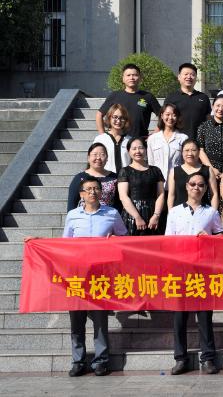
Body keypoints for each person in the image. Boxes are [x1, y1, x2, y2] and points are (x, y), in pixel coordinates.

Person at [60, 176, 127, 377]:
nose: (93, 192)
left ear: (101, 192)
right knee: (77, 321)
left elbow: (124, 238)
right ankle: (78, 361)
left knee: (100, 320)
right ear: (81, 194)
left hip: (100, 275)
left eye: (96, 188)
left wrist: (115, 239)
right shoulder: (73, 215)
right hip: (77, 275)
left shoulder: (112, 213)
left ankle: (101, 361)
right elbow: (64, 243)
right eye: (88, 189)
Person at [165, 173, 223, 376]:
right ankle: (180, 358)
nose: (196, 188)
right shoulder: (174, 212)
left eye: (200, 185)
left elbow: (221, 238)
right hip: (180, 270)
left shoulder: (211, 212)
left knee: (204, 317)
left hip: (202, 271)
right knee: (179, 318)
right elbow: (168, 241)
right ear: (186, 187)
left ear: (205, 189)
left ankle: (208, 358)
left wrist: (210, 238)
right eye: (193, 184)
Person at [97, 63, 161, 139]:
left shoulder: (148, 96)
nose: (131, 78)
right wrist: (103, 136)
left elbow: (162, 116)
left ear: (140, 78)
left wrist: (154, 135)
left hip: (140, 141)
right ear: (123, 78)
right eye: (128, 75)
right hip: (118, 140)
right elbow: (99, 115)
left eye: (135, 75)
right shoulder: (115, 96)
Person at [117, 137, 165, 236]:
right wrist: (137, 217)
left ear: (146, 149)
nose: (137, 151)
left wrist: (156, 215)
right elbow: (123, 196)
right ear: (128, 151)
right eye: (134, 149)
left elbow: (161, 195)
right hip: (132, 214)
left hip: (153, 213)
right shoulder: (125, 171)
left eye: (141, 148)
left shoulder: (156, 170)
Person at [167, 138, 218, 210]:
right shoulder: (174, 171)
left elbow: (214, 194)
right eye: (186, 150)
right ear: (182, 152)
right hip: (180, 212)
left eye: (193, 150)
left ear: (199, 152)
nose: (190, 153)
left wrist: (213, 213)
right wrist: (171, 213)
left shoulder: (207, 170)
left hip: (203, 211)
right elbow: (171, 195)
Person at [164, 63, 211, 140]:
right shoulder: (171, 97)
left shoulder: (203, 97)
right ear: (179, 77)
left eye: (192, 75)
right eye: (186, 74)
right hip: (176, 141)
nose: (189, 77)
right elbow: (164, 120)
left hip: (199, 142)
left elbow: (208, 120)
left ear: (196, 78)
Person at [67, 143, 119, 211]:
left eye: (102, 155)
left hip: (108, 216)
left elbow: (119, 203)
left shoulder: (115, 177)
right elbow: (71, 204)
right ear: (88, 158)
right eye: (95, 154)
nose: (98, 158)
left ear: (107, 158)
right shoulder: (80, 178)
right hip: (84, 216)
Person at [147, 103, 188, 184]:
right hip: (157, 184)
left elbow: (185, 163)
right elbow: (150, 164)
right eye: (167, 114)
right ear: (162, 116)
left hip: (176, 182)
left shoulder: (183, 138)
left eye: (174, 115)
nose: (170, 118)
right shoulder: (152, 139)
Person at [93, 103, 131, 173]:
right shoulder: (100, 139)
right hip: (106, 178)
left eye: (122, 118)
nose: (118, 121)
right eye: (115, 117)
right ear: (109, 118)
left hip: (126, 178)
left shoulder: (130, 140)